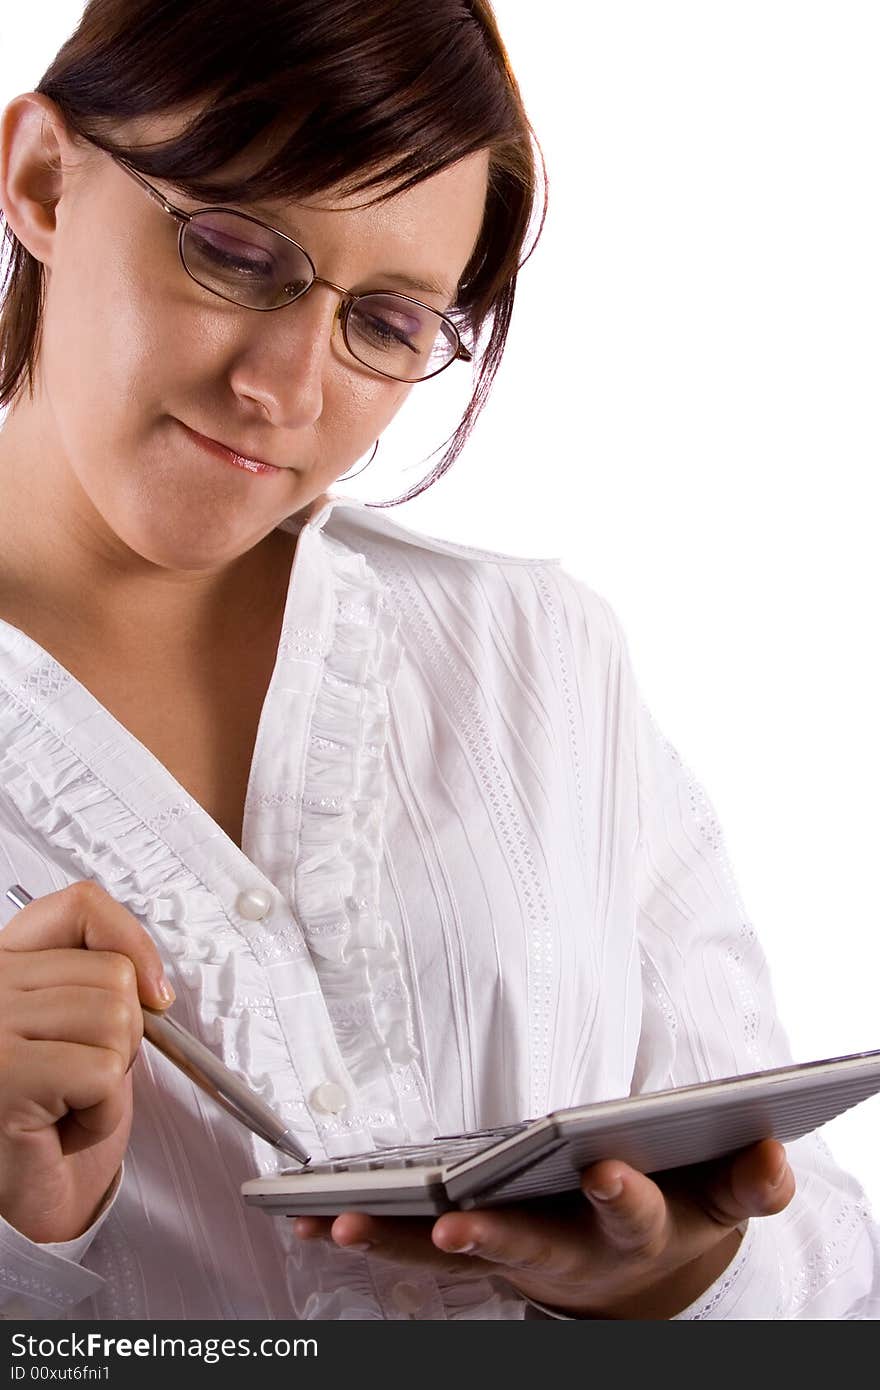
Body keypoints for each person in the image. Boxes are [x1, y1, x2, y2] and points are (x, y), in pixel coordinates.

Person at [0, 0, 876, 1322]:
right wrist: (23, 1240)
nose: (288, 389)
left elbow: (835, 1280)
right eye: (238, 253)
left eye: (390, 324)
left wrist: (675, 1273)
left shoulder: (539, 658)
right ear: (43, 181)